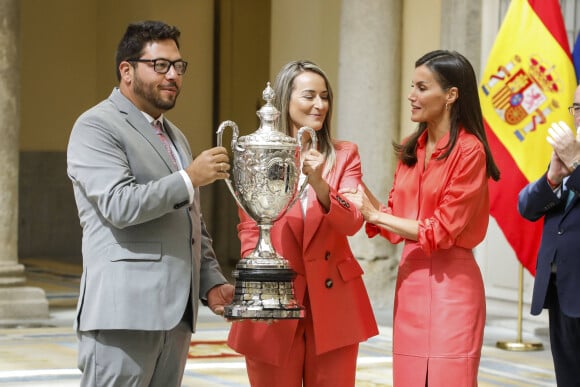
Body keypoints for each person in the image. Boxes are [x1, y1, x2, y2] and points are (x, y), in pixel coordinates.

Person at [66, 20, 234, 386]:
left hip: (176, 320)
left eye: (178, 66)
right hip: (122, 317)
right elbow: (118, 204)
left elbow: (192, 222)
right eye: (160, 65)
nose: (173, 75)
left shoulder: (175, 136)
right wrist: (189, 177)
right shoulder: (96, 126)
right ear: (127, 70)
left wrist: (210, 281)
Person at [341, 50, 501, 387]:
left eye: (422, 87)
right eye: (412, 86)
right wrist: (350, 181)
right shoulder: (412, 148)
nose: (412, 96)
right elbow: (396, 224)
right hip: (411, 283)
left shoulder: (470, 151)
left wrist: (376, 216)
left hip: (453, 290)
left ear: (451, 95)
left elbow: (441, 230)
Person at [227, 60, 379, 387]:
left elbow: (353, 221)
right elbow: (250, 227)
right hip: (274, 297)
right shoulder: (260, 152)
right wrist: (258, 275)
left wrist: (321, 182)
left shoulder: (344, 154)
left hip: (334, 301)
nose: (319, 104)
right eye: (309, 95)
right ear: (286, 100)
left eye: (325, 96)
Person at [518, 84, 580, 387]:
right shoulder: (570, 154)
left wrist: (577, 164)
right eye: (577, 108)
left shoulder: (576, 156)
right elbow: (527, 207)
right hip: (561, 288)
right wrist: (553, 178)